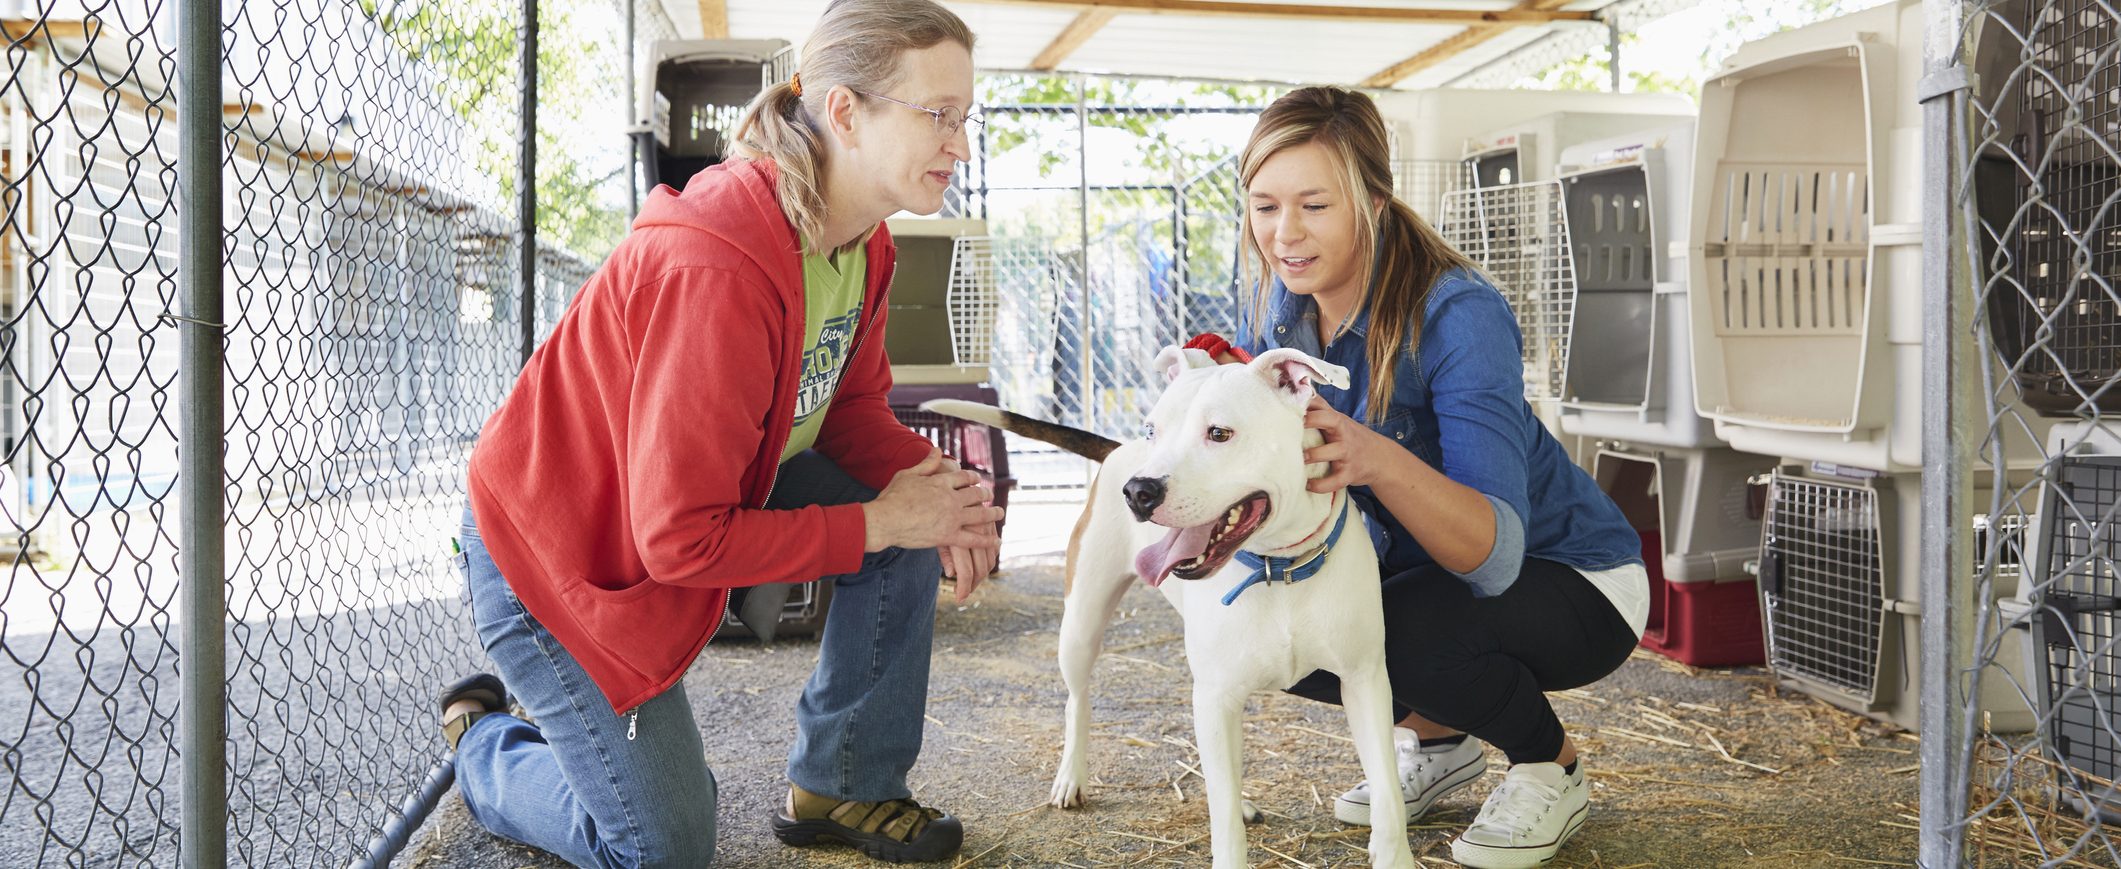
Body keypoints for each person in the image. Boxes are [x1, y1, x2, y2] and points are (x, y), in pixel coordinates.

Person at [433, 1, 1002, 865]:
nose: (959, 145)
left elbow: (846, 409)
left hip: (683, 506)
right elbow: (680, 540)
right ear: (844, 111)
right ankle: (484, 748)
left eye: (963, 118)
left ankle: (842, 783)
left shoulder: (864, 243)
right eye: (938, 117)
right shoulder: (721, 262)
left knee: (908, 515)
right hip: (557, 556)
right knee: (660, 849)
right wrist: (886, 521)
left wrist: (945, 497)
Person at [1230, 86, 1650, 869]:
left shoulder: (1457, 313)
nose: (1283, 234)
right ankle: (1438, 734)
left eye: (1314, 206)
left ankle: (1548, 766)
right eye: (1263, 205)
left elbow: (1492, 556)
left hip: (1574, 580)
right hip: (1432, 579)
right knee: (1269, 613)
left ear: (1374, 201)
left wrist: (1372, 455)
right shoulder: (1278, 309)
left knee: (1402, 629)